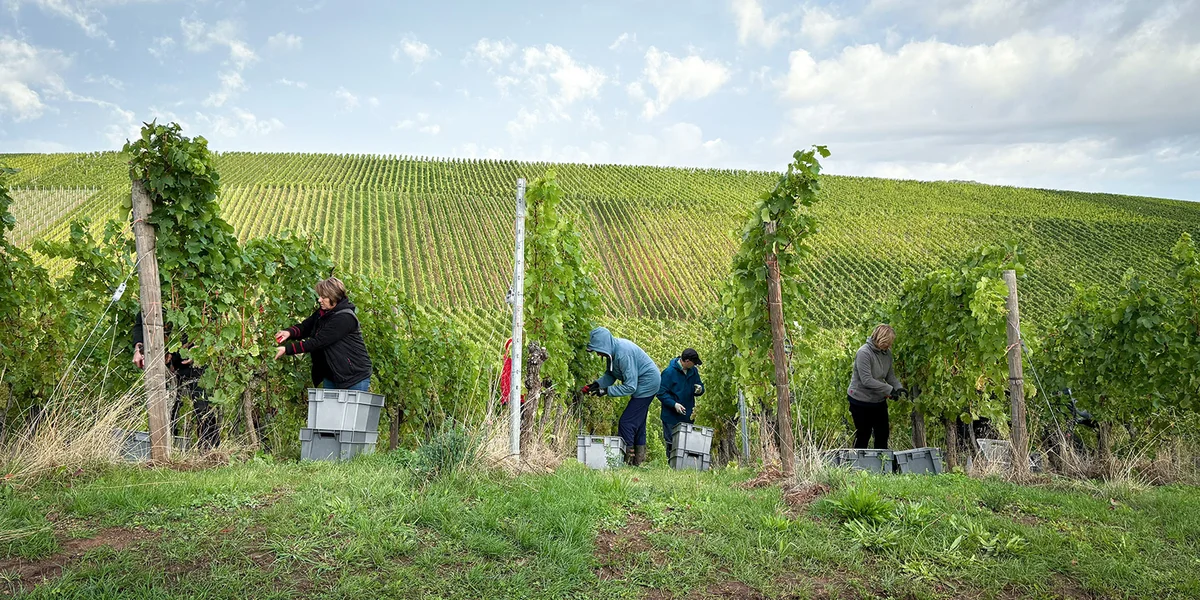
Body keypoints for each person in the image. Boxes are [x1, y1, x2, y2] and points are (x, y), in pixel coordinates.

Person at [131, 310, 220, 450]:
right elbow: (140, 322)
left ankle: (211, 452)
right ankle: (168, 450)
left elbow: (211, 321)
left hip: (191, 359)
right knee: (167, 407)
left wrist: (199, 348)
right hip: (161, 361)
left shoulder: (194, 293)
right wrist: (138, 348)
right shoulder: (154, 295)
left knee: (202, 405)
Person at [274, 277, 372, 391]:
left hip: (354, 376)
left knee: (349, 409)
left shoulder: (345, 318)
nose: (319, 300)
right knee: (329, 409)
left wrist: (287, 349)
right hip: (332, 375)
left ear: (334, 297)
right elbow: (306, 327)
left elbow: (318, 342)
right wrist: (289, 332)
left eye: (323, 297)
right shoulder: (323, 313)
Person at [582, 327, 661, 466]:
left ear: (604, 345)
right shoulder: (612, 351)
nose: (599, 354)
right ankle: (638, 461)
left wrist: (606, 391)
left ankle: (626, 460)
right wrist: (597, 384)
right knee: (639, 423)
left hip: (648, 384)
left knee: (627, 422)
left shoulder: (623, 354)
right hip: (645, 383)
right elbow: (611, 375)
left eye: (598, 350)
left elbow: (631, 386)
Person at [846, 324, 906, 449]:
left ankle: (882, 466)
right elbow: (867, 380)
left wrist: (898, 388)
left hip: (878, 400)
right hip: (860, 400)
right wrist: (890, 390)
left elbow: (890, 376)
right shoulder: (864, 353)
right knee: (863, 434)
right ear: (880, 339)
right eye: (887, 342)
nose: (889, 346)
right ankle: (857, 465)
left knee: (883, 434)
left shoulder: (887, 354)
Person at [656, 348, 704, 458]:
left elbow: (699, 385)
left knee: (686, 443)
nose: (695, 365)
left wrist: (700, 389)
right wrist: (674, 404)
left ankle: (684, 466)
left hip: (687, 415)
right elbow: (661, 393)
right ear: (687, 361)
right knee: (672, 443)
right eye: (694, 363)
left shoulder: (693, 371)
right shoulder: (669, 373)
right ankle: (672, 466)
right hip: (671, 417)